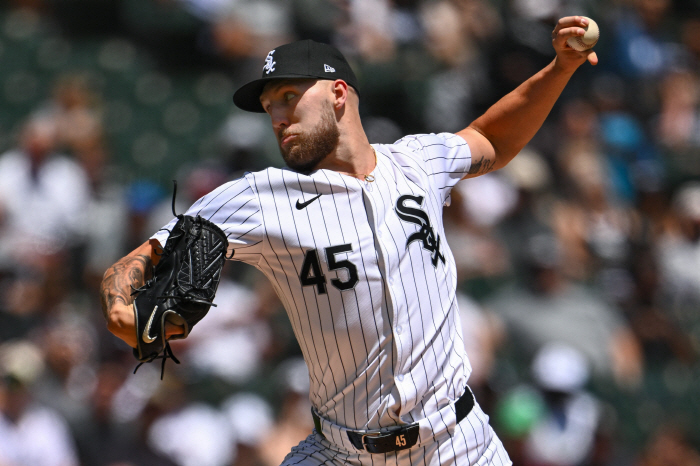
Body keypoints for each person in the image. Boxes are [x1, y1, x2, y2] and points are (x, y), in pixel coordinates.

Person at [101, 16, 597, 465]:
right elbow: (133, 263)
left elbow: (492, 140)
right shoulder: (255, 197)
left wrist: (560, 67)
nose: (277, 117)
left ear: (338, 93)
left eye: (289, 97)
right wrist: (122, 308)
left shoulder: (417, 163)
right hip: (342, 454)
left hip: (458, 445)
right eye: (270, 107)